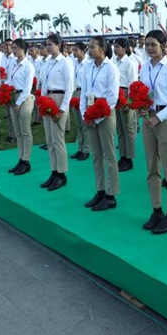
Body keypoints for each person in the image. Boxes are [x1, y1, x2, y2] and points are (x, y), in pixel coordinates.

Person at [138, 30, 167, 233]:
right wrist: (140, 106)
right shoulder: (145, 68)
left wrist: (160, 116)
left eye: (153, 45)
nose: (149, 48)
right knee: (151, 167)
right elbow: (141, 91)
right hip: (148, 119)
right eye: (147, 45)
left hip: (165, 119)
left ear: (163, 45)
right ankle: (156, 209)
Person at [80, 36, 121, 211]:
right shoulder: (87, 67)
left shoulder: (111, 68)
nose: (89, 50)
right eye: (88, 47)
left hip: (105, 114)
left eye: (92, 47)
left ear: (102, 49)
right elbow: (84, 91)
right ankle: (100, 190)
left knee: (109, 154)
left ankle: (111, 195)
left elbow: (113, 96)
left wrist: (97, 116)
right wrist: (85, 114)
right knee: (96, 155)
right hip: (90, 113)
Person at [39, 34, 74, 191]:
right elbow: (44, 83)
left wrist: (62, 108)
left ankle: (62, 174)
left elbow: (69, 87)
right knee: (50, 139)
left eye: (51, 44)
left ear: (59, 45)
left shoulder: (65, 63)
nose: (48, 47)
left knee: (58, 138)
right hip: (48, 98)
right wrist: (42, 102)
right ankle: (53, 171)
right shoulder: (47, 63)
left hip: (59, 98)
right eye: (46, 44)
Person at [7, 39, 36, 175]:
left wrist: (18, 103)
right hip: (14, 97)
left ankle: (26, 160)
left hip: (24, 99)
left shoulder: (28, 66)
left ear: (23, 49)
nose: (14, 50)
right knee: (18, 132)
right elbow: (10, 80)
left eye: (17, 48)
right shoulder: (13, 63)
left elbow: (27, 87)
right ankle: (20, 159)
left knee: (25, 131)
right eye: (13, 48)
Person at [113, 38, 138, 172]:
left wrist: (130, 102)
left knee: (128, 128)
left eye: (118, 47)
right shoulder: (114, 62)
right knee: (120, 128)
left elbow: (132, 84)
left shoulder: (130, 63)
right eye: (114, 46)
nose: (115, 49)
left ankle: (129, 158)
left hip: (125, 94)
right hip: (116, 94)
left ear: (125, 48)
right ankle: (122, 156)